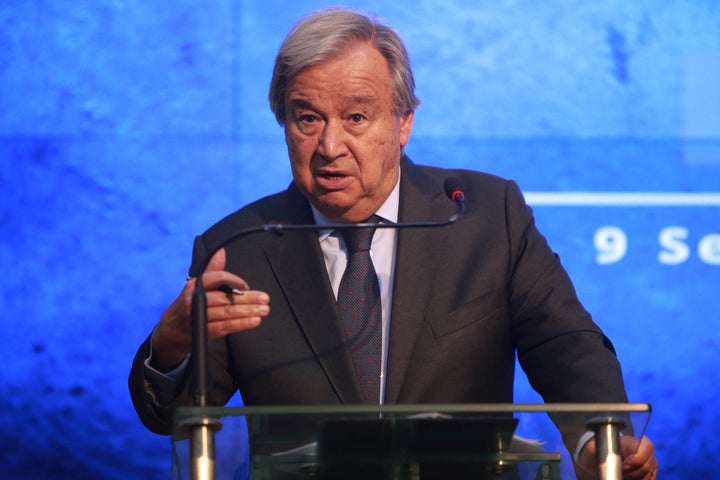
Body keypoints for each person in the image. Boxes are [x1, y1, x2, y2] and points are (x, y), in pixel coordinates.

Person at [129, 7, 657, 479]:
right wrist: (172, 346)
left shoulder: (483, 215)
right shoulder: (238, 246)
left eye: (356, 116)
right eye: (307, 118)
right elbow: (167, 419)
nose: (330, 146)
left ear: (403, 122)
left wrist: (596, 441)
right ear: (284, 123)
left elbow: (564, 344)